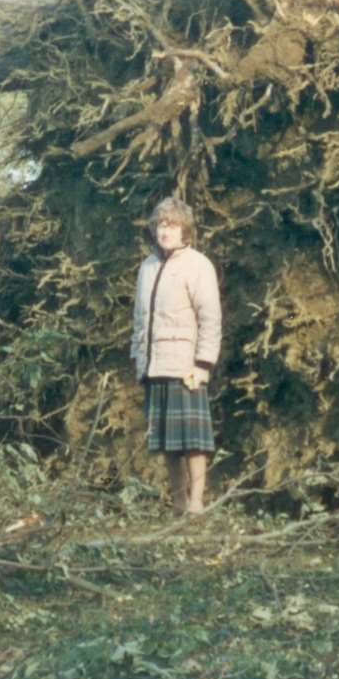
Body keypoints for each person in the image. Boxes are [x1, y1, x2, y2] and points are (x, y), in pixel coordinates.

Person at [131, 197, 221, 514]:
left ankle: (197, 503)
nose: (164, 231)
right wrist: (138, 359)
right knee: (168, 445)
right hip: (156, 367)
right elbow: (140, 320)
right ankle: (179, 503)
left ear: (186, 230)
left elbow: (210, 318)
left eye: (172, 225)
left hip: (186, 368)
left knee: (194, 443)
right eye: (160, 224)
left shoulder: (198, 265)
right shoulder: (147, 267)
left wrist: (203, 364)